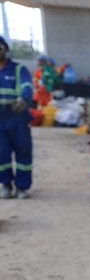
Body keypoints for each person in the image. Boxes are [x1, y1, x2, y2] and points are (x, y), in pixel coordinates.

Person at [0, 36, 34, 199]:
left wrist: (23, 99)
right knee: (1, 153)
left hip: (17, 117)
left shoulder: (18, 70)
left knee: (23, 151)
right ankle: (6, 185)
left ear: (5, 49)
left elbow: (27, 86)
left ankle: (22, 187)